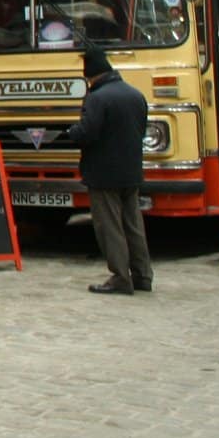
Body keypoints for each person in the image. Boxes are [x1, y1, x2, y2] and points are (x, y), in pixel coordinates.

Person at [65, 45, 153, 294]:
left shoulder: (97, 98)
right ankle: (143, 275)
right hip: (131, 171)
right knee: (133, 225)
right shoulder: (136, 95)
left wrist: (71, 133)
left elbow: (88, 132)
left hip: (103, 173)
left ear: (91, 75)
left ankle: (120, 278)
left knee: (110, 227)